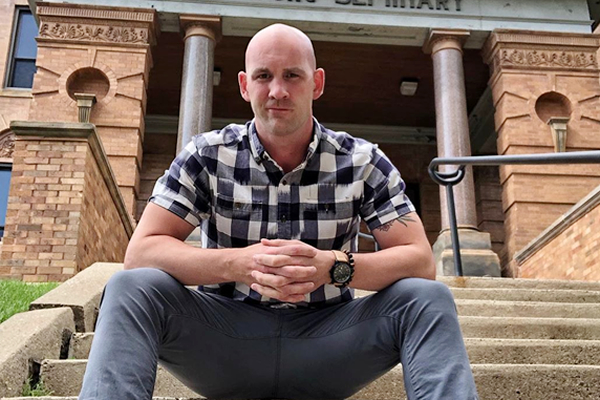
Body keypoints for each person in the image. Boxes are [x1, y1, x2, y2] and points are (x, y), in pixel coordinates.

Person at [79, 23, 478, 400]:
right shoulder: (206, 155)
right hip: (223, 343)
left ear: (317, 83)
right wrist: (238, 264)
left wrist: (332, 267)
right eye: (263, 76)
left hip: (329, 345)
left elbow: (419, 260)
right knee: (131, 287)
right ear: (244, 85)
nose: (278, 91)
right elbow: (142, 252)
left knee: (426, 297)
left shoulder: (362, 161)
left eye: (292, 76)